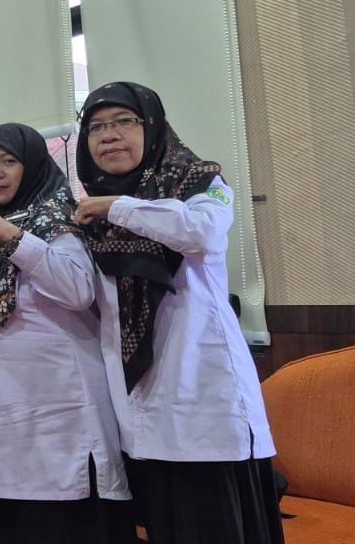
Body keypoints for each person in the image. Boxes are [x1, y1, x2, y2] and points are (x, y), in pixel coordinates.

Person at [74, 82, 281, 544]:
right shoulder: (90, 215)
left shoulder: (200, 182)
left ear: (151, 127)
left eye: (123, 122)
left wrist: (122, 207)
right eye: (96, 127)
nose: (108, 135)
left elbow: (205, 234)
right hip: (142, 410)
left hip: (204, 399)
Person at [0, 123, 136, 544]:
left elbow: (76, 289)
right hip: (7, 419)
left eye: (8, 161)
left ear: (32, 166)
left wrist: (15, 238)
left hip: (64, 415)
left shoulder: (57, 220)